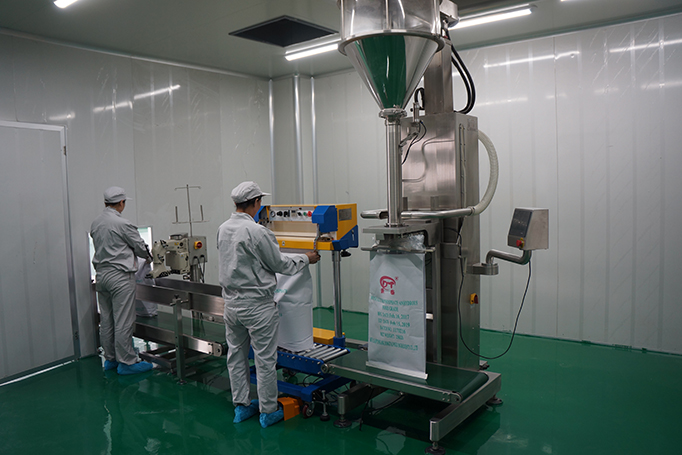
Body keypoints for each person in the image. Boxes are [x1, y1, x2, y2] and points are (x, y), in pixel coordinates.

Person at [217, 181, 320, 428]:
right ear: (256, 203)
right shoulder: (258, 232)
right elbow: (280, 264)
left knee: (236, 356)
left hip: (231, 305)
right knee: (264, 360)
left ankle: (241, 407)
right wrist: (306, 258)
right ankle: (268, 411)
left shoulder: (223, 228)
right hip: (257, 306)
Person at [90, 186, 154, 375]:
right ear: (121, 203)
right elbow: (140, 247)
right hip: (120, 277)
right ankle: (127, 362)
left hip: (101, 276)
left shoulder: (96, 223)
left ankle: (110, 359)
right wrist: (149, 257)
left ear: (105, 203)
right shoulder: (123, 224)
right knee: (123, 320)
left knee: (107, 320)